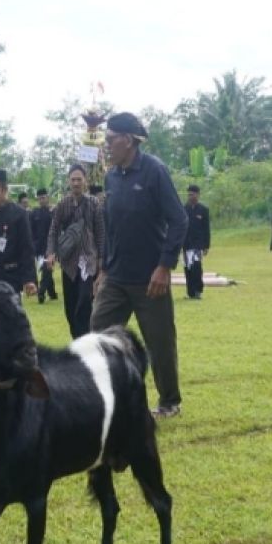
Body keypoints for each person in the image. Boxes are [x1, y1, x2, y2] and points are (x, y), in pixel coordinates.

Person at [89, 112, 187, 418]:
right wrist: (104, 269)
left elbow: (179, 219)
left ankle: (169, 402)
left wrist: (164, 266)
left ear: (128, 141)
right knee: (98, 334)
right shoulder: (111, 177)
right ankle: (111, 398)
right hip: (116, 276)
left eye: (110, 140)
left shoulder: (154, 171)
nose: (106, 146)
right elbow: (110, 226)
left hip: (150, 279)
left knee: (159, 343)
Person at [47, 164, 105, 338]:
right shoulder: (63, 204)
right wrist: (51, 253)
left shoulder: (94, 204)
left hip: (89, 261)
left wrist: (102, 261)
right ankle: (77, 340)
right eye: (73, 179)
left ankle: (86, 339)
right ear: (68, 181)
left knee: (84, 303)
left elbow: (101, 233)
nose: (76, 183)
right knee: (70, 307)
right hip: (69, 263)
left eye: (79, 179)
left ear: (85, 181)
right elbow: (53, 230)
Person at [182, 185, 210, 299]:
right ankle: (190, 292)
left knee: (196, 266)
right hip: (186, 244)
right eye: (188, 194)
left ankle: (198, 290)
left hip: (198, 244)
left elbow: (206, 229)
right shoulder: (184, 209)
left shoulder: (203, 210)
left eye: (192, 194)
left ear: (198, 195)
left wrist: (206, 245)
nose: (190, 196)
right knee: (188, 267)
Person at [30, 187, 57, 303]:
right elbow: (30, 231)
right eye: (40, 198)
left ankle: (41, 293)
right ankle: (52, 293)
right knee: (47, 270)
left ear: (48, 198)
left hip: (51, 247)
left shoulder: (54, 213)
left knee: (47, 269)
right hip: (38, 247)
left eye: (44, 197)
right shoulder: (33, 213)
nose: (42, 200)